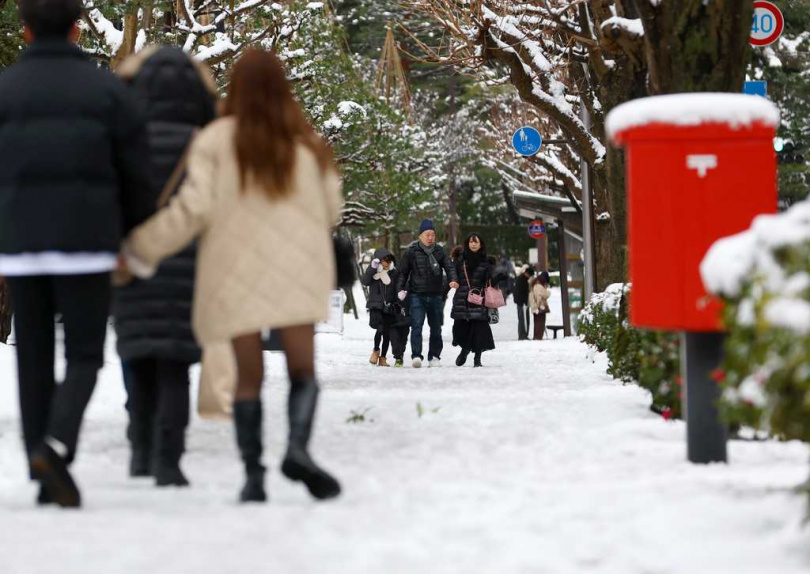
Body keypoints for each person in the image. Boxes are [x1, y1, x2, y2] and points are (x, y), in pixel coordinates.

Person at [121, 49, 343, 503]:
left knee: (247, 377)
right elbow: (332, 210)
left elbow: (192, 209)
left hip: (234, 269)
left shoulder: (214, 141)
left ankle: (253, 476)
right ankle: (298, 448)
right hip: (298, 269)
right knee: (303, 369)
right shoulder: (309, 144)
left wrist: (140, 247)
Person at [0, 0, 152, 508]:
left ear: (25, 31)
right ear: (76, 29)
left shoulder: (5, 90)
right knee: (85, 353)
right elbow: (137, 173)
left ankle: (41, 464)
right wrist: (129, 233)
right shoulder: (107, 91)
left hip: (21, 243)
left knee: (33, 357)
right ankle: (56, 442)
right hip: (88, 242)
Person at [113, 46, 218, 486]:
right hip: (188, 271)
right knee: (175, 366)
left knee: (137, 356)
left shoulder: (123, 140)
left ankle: (140, 450)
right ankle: (168, 460)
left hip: (131, 264)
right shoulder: (206, 145)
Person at [396, 220, 459, 368]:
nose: (430, 238)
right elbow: (403, 272)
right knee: (416, 326)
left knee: (436, 328)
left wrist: (453, 280)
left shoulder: (440, 251)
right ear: (420, 236)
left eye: (432, 235)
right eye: (427, 235)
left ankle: (434, 357)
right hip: (417, 295)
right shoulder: (411, 251)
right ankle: (416, 356)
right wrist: (400, 289)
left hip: (436, 295)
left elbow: (449, 267)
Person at [450, 234, 495, 368]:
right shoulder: (460, 260)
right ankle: (465, 350)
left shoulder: (485, 262)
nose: (473, 244)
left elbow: (490, 280)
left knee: (479, 330)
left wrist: (495, 278)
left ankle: (477, 359)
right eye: (471, 242)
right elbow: (453, 273)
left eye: (476, 242)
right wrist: (453, 281)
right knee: (460, 328)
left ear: (481, 245)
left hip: (479, 299)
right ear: (467, 244)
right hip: (462, 298)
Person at [361, 248, 399, 367]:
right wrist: (372, 267)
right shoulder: (374, 272)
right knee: (380, 329)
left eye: (389, 260)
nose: (387, 263)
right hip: (376, 306)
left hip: (389, 306)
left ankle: (383, 358)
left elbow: (398, 287)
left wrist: (399, 298)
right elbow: (365, 281)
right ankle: (376, 350)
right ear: (379, 261)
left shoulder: (394, 273)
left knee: (387, 333)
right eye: (384, 260)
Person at [513, 265, 535, 340]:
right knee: (523, 319)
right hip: (522, 303)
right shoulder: (522, 280)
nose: (530, 277)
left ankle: (523, 334)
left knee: (522, 319)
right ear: (527, 273)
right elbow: (522, 292)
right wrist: (524, 302)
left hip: (521, 302)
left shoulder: (521, 278)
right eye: (530, 275)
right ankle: (523, 335)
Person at [530, 271, 552, 340]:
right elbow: (540, 296)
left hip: (536, 307)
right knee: (540, 323)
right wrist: (548, 293)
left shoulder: (536, 284)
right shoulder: (539, 285)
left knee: (537, 322)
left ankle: (537, 336)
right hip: (539, 307)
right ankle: (538, 337)